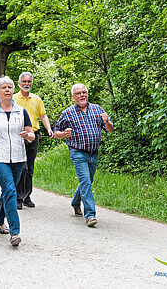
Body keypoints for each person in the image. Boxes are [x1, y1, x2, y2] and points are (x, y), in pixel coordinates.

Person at [0, 76, 35, 246]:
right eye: (4, 88)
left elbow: (30, 133)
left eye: (10, 87)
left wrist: (29, 136)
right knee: (10, 190)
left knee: (7, 191)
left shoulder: (21, 111)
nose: (8, 90)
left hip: (18, 157)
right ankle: (15, 232)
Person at [54, 83, 113, 227]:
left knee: (87, 181)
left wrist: (106, 121)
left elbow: (110, 129)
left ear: (87, 94)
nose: (82, 95)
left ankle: (75, 202)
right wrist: (63, 134)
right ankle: (90, 215)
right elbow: (56, 132)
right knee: (86, 182)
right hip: (78, 152)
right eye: (78, 93)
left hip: (94, 153)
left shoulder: (97, 109)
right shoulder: (67, 113)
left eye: (84, 92)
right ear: (73, 97)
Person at [13, 72, 53, 210]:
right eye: (24, 81)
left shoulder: (36, 99)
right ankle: (18, 197)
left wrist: (49, 129)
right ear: (19, 83)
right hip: (18, 137)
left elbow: (43, 115)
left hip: (33, 136)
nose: (26, 84)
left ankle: (27, 196)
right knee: (21, 167)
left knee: (30, 168)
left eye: (29, 81)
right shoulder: (13, 99)